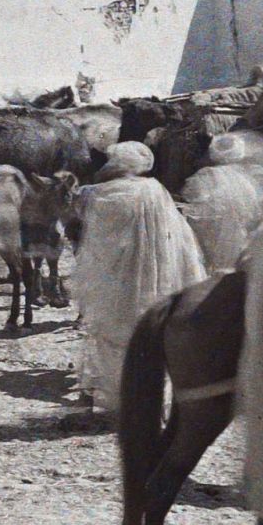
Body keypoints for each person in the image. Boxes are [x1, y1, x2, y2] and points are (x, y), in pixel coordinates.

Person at [72, 141, 207, 412]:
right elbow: (178, 238)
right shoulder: (155, 190)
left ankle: (120, 395)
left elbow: (82, 218)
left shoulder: (98, 195)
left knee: (115, 332)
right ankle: (152, 396)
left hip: (115, 278)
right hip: (154, 274)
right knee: (150, 332)